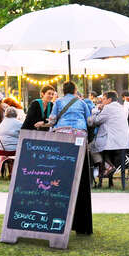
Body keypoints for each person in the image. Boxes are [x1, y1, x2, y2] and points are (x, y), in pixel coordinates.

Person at [48, 81, 92, 236]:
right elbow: (90, 120)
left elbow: (52, 120)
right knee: (79, 165)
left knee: (63, 164)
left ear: (62, 90)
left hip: (62, 133)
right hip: (79, 133)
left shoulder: (58, 102)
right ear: (74, 90)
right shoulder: (81, 102)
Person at [88, 91, 129, 176]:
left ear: (109, 100)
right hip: (124, 142)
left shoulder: (108, 108)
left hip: (113, 142)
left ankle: (107, 166)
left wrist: (96, 110)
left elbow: (96, 121)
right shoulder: (120, 107)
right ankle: (108, 166)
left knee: (90, 146)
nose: (102, 101)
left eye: (104, 99)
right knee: (100, 148)